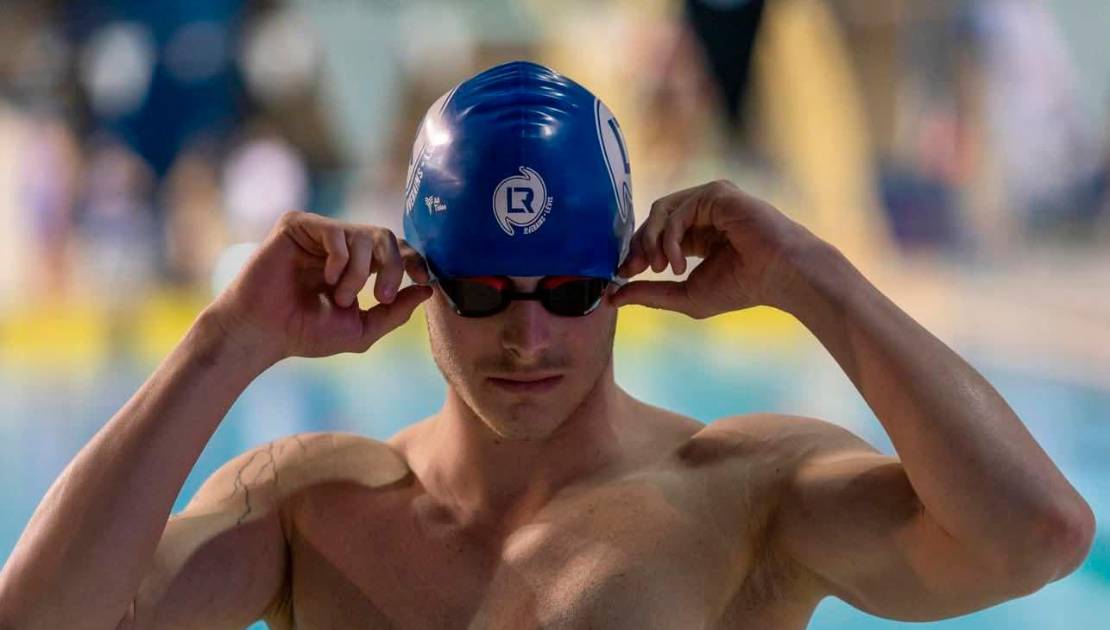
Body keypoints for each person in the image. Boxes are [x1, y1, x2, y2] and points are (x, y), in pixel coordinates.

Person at [0, 61, 1094, 629]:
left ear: (620, 279)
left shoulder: (747, 499)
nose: (526, 336)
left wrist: (813, 279)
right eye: (482, 292)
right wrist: (222, 345)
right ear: (422, 279)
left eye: (570, 291)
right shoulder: (308, 508)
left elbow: (1036, 538)